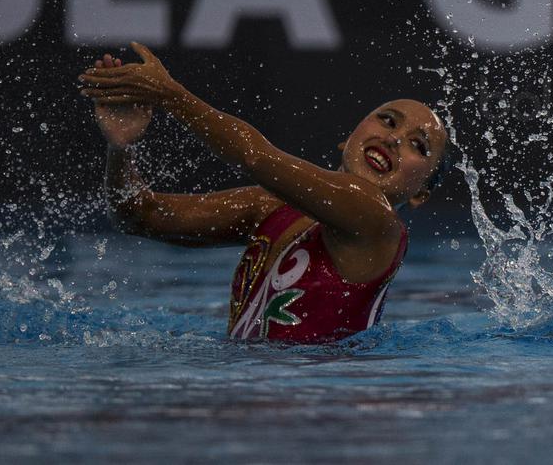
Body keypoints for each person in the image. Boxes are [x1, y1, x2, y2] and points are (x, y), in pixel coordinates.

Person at [79, 42, 450, 343]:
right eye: (387, 120)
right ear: (346, 139)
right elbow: (138, 216)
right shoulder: (270, 207)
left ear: (420, 195)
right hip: (255, 385)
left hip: (323, 402)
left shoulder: (377, 222)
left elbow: (254, 155)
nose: (393, 137)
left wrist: (170, 95)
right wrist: (121, 147)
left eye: (418, 145)